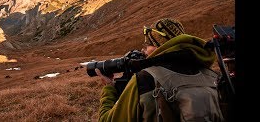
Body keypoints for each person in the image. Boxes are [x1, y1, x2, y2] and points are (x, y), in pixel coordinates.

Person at [95, 18, 224, 122]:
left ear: (160, 47)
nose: (143, 50)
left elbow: (108, 119)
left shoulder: (145, 79)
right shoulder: (213, 76)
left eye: (148, 45)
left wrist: (109, 88)